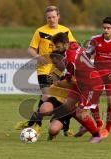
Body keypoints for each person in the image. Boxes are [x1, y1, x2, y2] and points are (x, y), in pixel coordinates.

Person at [30, 33, 105, 143]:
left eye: (58, 46)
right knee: (68, 105)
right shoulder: (73, 46)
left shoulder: (70, 59)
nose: (56, 48)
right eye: (55, 46)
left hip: (90, 84)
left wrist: (58, 83)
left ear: (65, 44)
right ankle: (87, 125)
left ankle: (97, 135)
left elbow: (70, 81)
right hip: (82, 82)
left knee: (80, 113)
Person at [15, 5, 76, 137]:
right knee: (46, 96)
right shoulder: (40, 31)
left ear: (58, 16)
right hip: (44, 70)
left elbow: (73, 47)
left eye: (54, 17)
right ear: (46, 18)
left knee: (65, 99)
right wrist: (37, 57)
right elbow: (30, 49)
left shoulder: (66, 31)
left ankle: (65, 127)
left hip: (61, 70)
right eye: (49, 17)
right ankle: (37, 125)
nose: (52, 20)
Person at [76, 17, 111, 138]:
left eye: (108, 28)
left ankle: (107, 128)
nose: (106, 30)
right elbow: (87, 54)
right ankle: (98, 123)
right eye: (104, 28)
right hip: (97, 74)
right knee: (92, 101)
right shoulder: (95, 40)